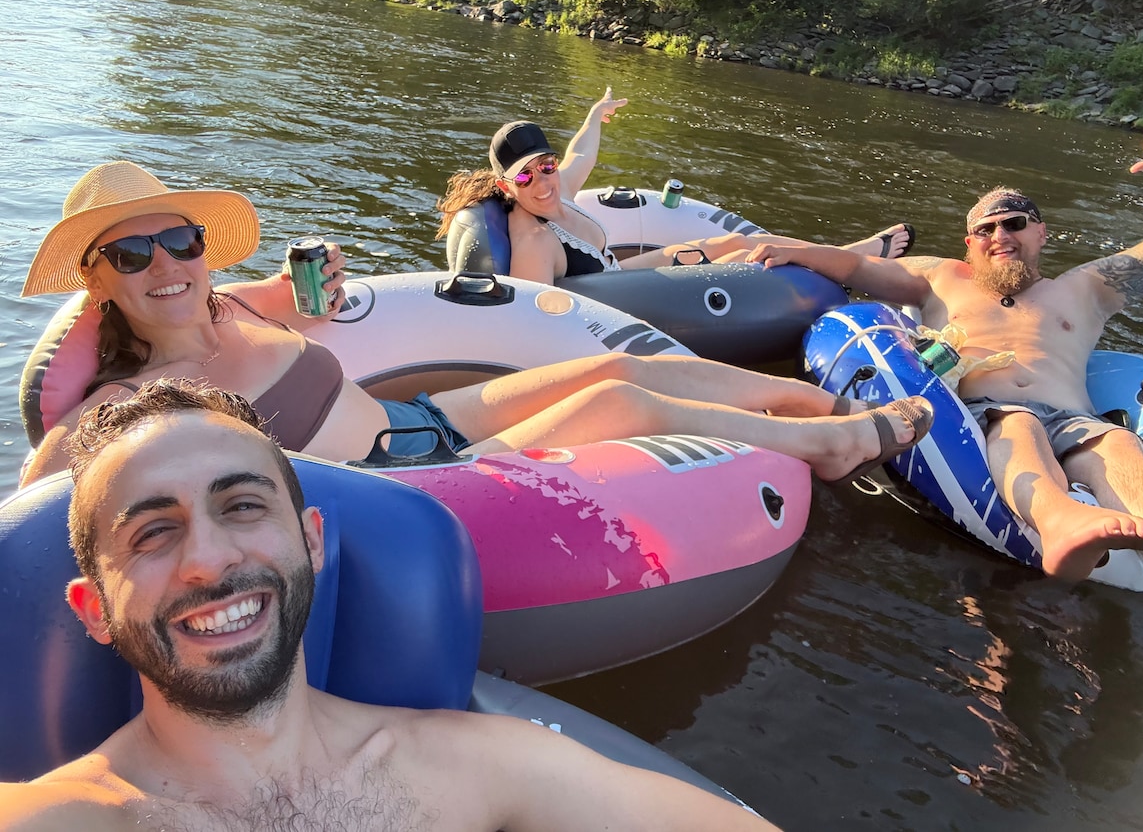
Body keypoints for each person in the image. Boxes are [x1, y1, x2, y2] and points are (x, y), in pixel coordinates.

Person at [0, 380, 782, 830]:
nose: (209, 559)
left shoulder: (480, 767)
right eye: (153, 532)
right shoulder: (54, 818)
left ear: (313, 543)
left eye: (242, 506)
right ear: (93, 610)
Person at [20, 160, 933, 488]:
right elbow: (42, 488)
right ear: (96, 281)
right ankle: (833, 445)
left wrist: (323, 275)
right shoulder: (126, 403)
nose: (167, 267)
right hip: (399, 480)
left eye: (179, 240)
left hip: (421, 420)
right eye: (131, 255)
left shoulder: (232, 302)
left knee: (619, 368)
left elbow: (316, 300)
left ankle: (812, 401)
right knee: (621, 402)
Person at [744, 100, 1143, 627]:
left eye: (1014, 224)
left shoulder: (1088, 288)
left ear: (1040, 233)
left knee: (1118, 445)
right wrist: (793, 249)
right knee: (1019, 424)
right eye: (986, 230)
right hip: (987, 414)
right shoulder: (941, 277)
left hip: (1076, 417)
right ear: (970, 244)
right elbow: (855, 266)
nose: (1000, 236)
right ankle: (1060, 522)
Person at [435, 86, 914, 284]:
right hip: (621, 298)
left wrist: (595, 115)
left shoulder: (557, 190)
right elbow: (531, 311)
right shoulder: (533, 239)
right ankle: (852, 261)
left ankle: (846, 253)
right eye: (524, 175)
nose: (540, 180)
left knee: (733, 241)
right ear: (505, 185)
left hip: (621, 272)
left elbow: (582, 154)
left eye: (545, 165)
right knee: (742, 258)